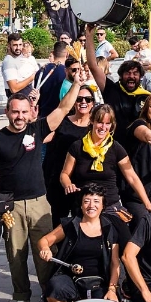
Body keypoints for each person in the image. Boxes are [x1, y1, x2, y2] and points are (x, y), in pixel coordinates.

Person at [0, 72, 83, 302]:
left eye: (24, 112)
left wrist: (78, 83)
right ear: (7, 112)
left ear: (31, 112)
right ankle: (21, 298)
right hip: (11, 206)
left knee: (46, 253)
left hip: (40, 203)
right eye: (15, 112)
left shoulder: (37, 129)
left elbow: (63, 107)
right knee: (16, 256)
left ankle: (49, 296)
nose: (20, 116)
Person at [35, 184, 123, 302]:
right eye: (87, 201)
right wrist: (44, 249)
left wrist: (112, 289)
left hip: (100, 281)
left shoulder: (110, 228)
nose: (91, 206)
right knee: (54, 289)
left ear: (102, 206)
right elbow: (44, 240)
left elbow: (115, 262)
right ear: (81, 205)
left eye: (96, 201)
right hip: (72, 278)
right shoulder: (70, 224)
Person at [59, 104, 151, 228]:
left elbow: (132, 177)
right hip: (85, 206)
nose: (103, 127)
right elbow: (64, 174)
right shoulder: (77, 146)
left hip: (110, 205)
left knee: (125, 240)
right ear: (92, 121)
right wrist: (68, 184)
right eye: (100, 122)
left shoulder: (116, 148)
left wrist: (147, 203)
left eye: (107, 123)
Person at [84, 24, 150, 147]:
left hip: (137, 150)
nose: (131, 76)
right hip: (111, 147)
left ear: (140, 77)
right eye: (127, 73)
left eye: (135, 73)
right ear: (120, 75)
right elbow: (93, 66)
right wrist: (89, 36)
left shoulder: (146, 98)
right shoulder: (110, 89)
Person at [43, 77, 93, 222]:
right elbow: (44, 136)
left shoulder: (97, 127)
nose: (83, 102)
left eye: (87, 99)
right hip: (58, 180)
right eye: (79, 99)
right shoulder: (62, 121)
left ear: (92, 103)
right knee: (58, 221)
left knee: (82, 223)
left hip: (83, 183)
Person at [33, 42, 71, 118]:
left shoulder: (41, 71)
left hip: (43, 114)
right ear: (67, 54)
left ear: (53, 53)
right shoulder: (67, 73)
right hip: (59, 115)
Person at [2, 33, 39, 98]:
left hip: (26, 98)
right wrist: (32, 77)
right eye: (15, 45)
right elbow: (14, 89)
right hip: (18, 101)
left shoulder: (19, 59)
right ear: (8, 46)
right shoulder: (9, 61)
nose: (18, 48)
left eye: (20, 45)